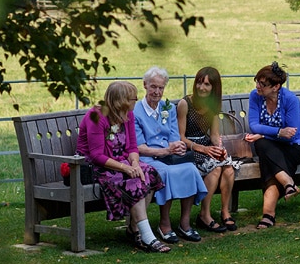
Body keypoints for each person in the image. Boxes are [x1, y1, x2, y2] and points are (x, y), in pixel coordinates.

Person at [76, 81, 170, 252]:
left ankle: (134, 229)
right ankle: (147, 237)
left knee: (148, 173)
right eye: (133, 98)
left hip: (122, 162)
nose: (136, 101)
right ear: (122, 101)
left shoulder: (127, 114)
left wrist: (135, 163)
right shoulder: (96, 117)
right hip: (97, 168)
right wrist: (126, 168)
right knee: (134, 181)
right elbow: (97, 156)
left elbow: (132, 147)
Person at [133, 66, 209, 244]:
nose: (157, 92)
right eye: (153, 87)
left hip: (169, 156)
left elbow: (175, 138)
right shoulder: (135, 111)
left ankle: (185, 223)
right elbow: (139, 147)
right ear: (145, 85)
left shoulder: (168, 107)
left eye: (161, 88)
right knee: (164, 173)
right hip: (148, 158)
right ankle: (164, 224)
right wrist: (166, 150)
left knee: (190, 169)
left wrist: (178, 147)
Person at [244, 61, 300, 229]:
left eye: (262, 84)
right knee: (264, 147)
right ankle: (288, 184)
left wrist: (265, 133)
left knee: (269, 158)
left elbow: (290, 136)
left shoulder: (290, 99)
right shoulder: (255, 96)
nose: (257, 86)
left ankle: (268, 215)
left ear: (276, 86)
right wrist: (277, 132)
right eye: (257, 81)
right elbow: (253, 125)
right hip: (274, 144)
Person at [178, 66, 241, 233]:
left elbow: (214, 135)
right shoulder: (186, 104)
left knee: (227, 167)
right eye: (199, 83)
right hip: (189, 149)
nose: (201, 88)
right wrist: (202, 149)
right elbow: (180, 137)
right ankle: (204, 215)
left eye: (206, 84)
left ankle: (225, 212)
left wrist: (219, 148)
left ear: (214, 87)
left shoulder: (213, 107)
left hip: (206, 146)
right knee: (214, 169)